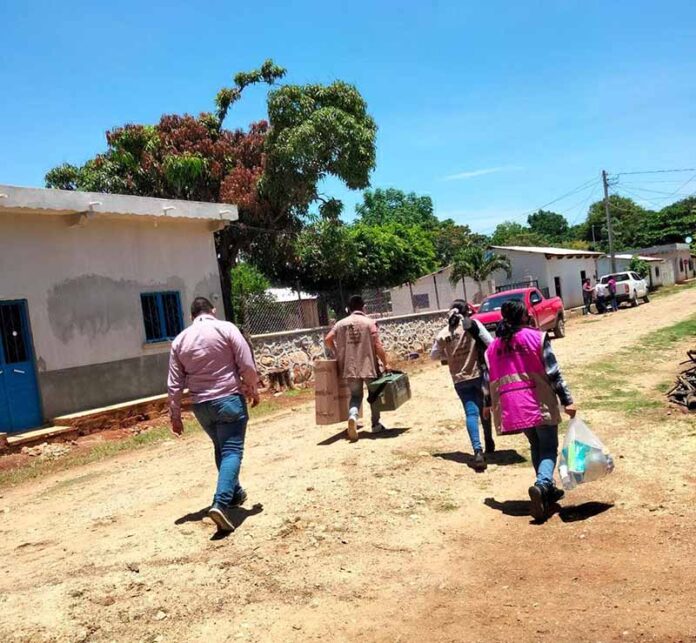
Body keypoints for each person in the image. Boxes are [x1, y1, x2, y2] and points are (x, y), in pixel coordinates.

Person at [168, 297, 260, 533]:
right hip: (228, 399)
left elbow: (174, 383)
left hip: (201, 407)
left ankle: (235, 493)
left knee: (222, 448)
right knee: (232, 451)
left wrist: (175, 415)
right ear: (213, 310)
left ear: (191, 316)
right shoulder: (226, 328)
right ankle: (220, 504)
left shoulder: (180, 340)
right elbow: (246, 363)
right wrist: (252, 387)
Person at [483, 299, 576, 522]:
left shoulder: (493, 347)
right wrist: (567, 401)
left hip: (514, 405)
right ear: (524, 316)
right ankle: (542, 484)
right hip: (538, 400)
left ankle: (545, 491)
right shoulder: (536, 338)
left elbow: (487, 378)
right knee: (548, 447)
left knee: (536, 445)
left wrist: (487, 404)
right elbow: (553, 372)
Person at [431, 299, 495, 470]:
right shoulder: (473, 325)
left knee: (471, 413)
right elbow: (490, 343)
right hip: (478, 374)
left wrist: (449, 356)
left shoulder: (444, 333)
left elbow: (434, 355)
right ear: (467, 311)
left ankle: (477, 451)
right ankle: (488, 440)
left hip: (459, 378)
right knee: (485, 408)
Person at [325, 295, 390, 442]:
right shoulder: (370, 323)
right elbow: (377, 345)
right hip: (368, 366)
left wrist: (336, 352)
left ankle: (353, 417)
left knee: (355, 396)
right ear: (363, 307)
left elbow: (328, 339)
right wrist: (386, 363)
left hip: (349, 367)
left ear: (348, 308)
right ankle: (376, 425)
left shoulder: (340, 324)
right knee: (374, 395)